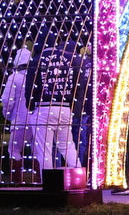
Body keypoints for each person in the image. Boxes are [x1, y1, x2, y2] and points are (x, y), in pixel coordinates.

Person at [25, 33, 88, 171]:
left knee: (44, 150)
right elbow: (78, 85)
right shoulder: (69, 60)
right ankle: (79, 176)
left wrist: (30, 107)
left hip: (43, 108)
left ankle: (48, 183)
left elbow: (30, 87)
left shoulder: (36, 61)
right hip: (64, 108)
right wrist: (72, 106)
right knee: (67, 145)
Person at [0, 47, 33, 182]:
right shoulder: (35, 76)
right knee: (37, 152)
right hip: (36, 120)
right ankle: (38, 180)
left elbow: (7, 100)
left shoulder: (14, 77)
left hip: (19, 119)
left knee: (14, 150)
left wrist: (7, 115)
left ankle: (17, 181)